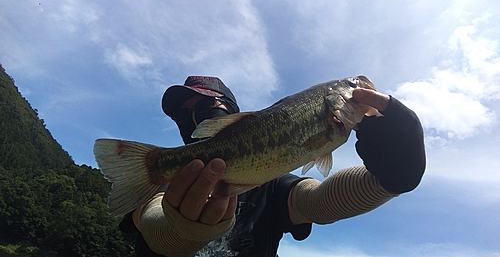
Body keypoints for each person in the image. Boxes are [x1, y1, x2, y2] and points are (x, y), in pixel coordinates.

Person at [119, 75, 426, 257]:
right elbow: (152, 222)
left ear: (234, 115)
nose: (194, 119)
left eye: (206, 106)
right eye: (182, 116)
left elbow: (317, 202)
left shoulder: (271, 183)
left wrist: (393, 177)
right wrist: (183, 231)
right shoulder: (157, 179)